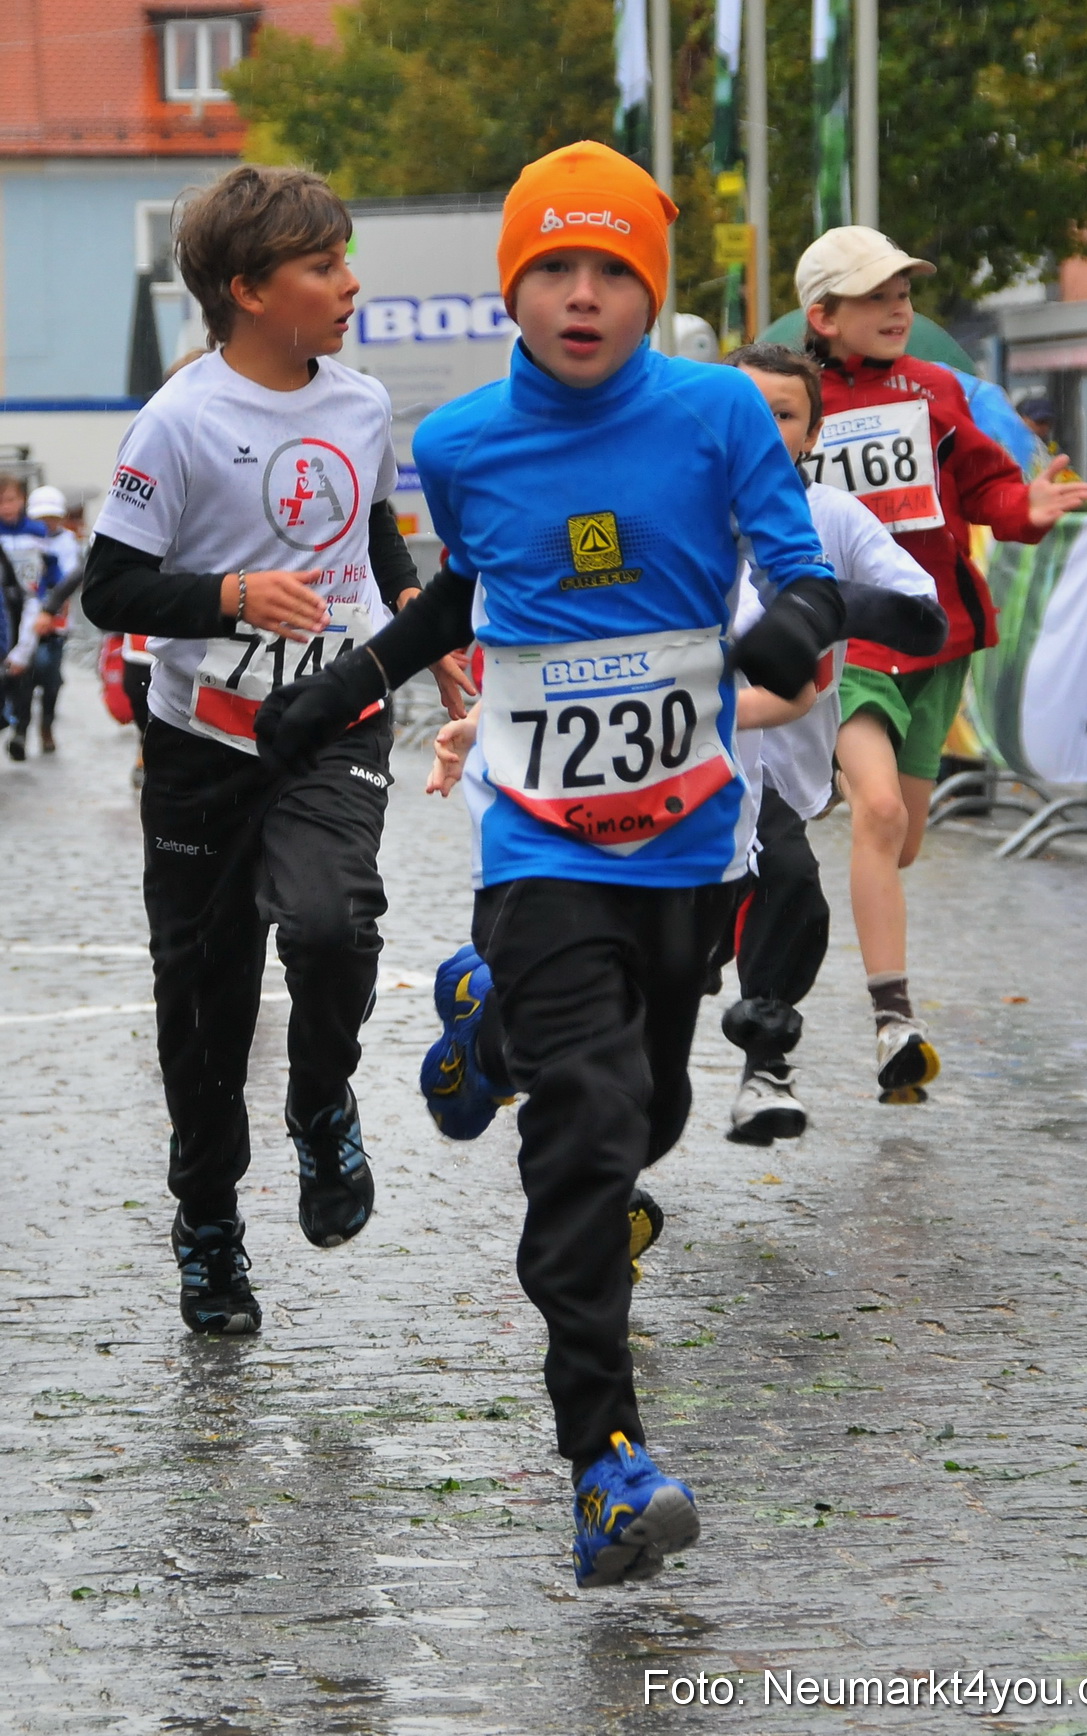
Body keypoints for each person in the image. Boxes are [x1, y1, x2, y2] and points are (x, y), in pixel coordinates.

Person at [254, 141, 844, 1588]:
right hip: (539, 841)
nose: (583, 297)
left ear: (651, 289)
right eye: (553, 270)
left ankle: (488, 1028)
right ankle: (605, 1462)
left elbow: (803, 569)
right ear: (512, 288)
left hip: (690, 844)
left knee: (651, 1119)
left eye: (613, 272)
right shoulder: (459, 442)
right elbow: (471, 586)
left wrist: (796, 624)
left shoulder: (718, 412)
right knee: (586, 1135)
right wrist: (352, 683)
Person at [83, 164, 468, 1337]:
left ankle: (321, 1103)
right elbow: (112, 587)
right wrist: (233, 593)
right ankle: (208, 1222)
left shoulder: (359, 403)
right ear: (249, 290)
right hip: (203, 741)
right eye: (323, 265)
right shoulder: (180, 419)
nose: (351, 283)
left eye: (346, 258)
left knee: (331, 920)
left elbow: (376, 529)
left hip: (335, 722)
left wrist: (421, 626)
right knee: (203, 1006)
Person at [796, 227, 1087, 1102]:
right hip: (846, 635)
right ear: (824, 315)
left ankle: (803, 787)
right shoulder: (787, 401)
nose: (899, 310)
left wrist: (1027, 507)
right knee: (881, 813)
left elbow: (988, 489)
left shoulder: (936, 389)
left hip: (935, 637)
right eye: (876, 297)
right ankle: (894, 1021)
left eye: (904, 294)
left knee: (904, 840)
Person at [716, 344, 943, 1142]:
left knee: (792, 890)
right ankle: (501, 1012)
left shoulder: (833, 517)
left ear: (812, 435)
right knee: (671, 946)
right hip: (673, 764)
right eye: (745, 409)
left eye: (783, 415)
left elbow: (919, 607)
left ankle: (765, 1067)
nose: (763, 428)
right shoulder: (668, 507)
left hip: (775, 770)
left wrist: (825, 606)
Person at [11, 485, 82, 755]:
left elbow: (69, 579)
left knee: (50, 679)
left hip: (55, 625)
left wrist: (51, 609)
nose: (47, 522)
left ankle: (47, 726)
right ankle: (20, 730)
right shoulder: (24, 537)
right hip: (24, 622)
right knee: (24, 678)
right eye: (42, 518)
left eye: (51, 517)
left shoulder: (68, 543)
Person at [0, 474, 53, 757]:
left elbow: (51, 568)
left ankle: (21, 730)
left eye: (11, 500)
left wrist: (50, 600)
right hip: (3, 608)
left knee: (28, 671)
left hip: (30, 605)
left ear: (22, 500)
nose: (6, 507)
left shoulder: (37, 531)